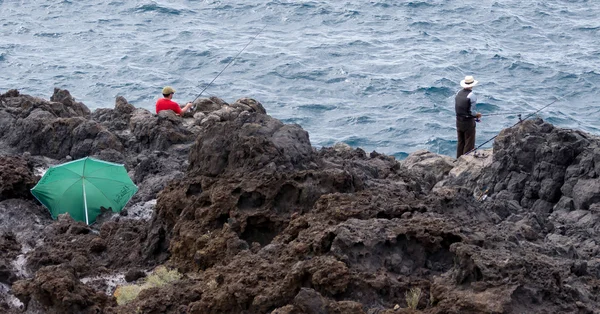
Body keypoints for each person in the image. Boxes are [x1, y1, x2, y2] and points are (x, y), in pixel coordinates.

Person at [455, 75, 482, 158]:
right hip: (468, 122)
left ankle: (458, 159)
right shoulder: (472, 95)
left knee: (461, 141)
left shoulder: (458, 93)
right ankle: (466, 160)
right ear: (472, 85)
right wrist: (478, 115)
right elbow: (472, 112)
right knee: (469, 142)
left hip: (458, 121)